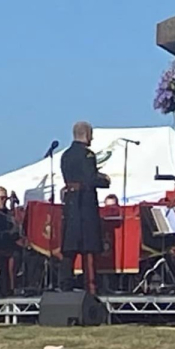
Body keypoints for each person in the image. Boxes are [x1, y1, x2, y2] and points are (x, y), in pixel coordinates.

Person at [60, 121, 111, 294]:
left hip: (70, 203)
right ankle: (91, 287)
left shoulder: (65, 155)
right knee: (89, 246)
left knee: (69, 247)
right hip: (85, 204)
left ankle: (65, 285)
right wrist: (104, 180)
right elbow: (90, 179)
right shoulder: (87, 155)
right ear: (87, 134)